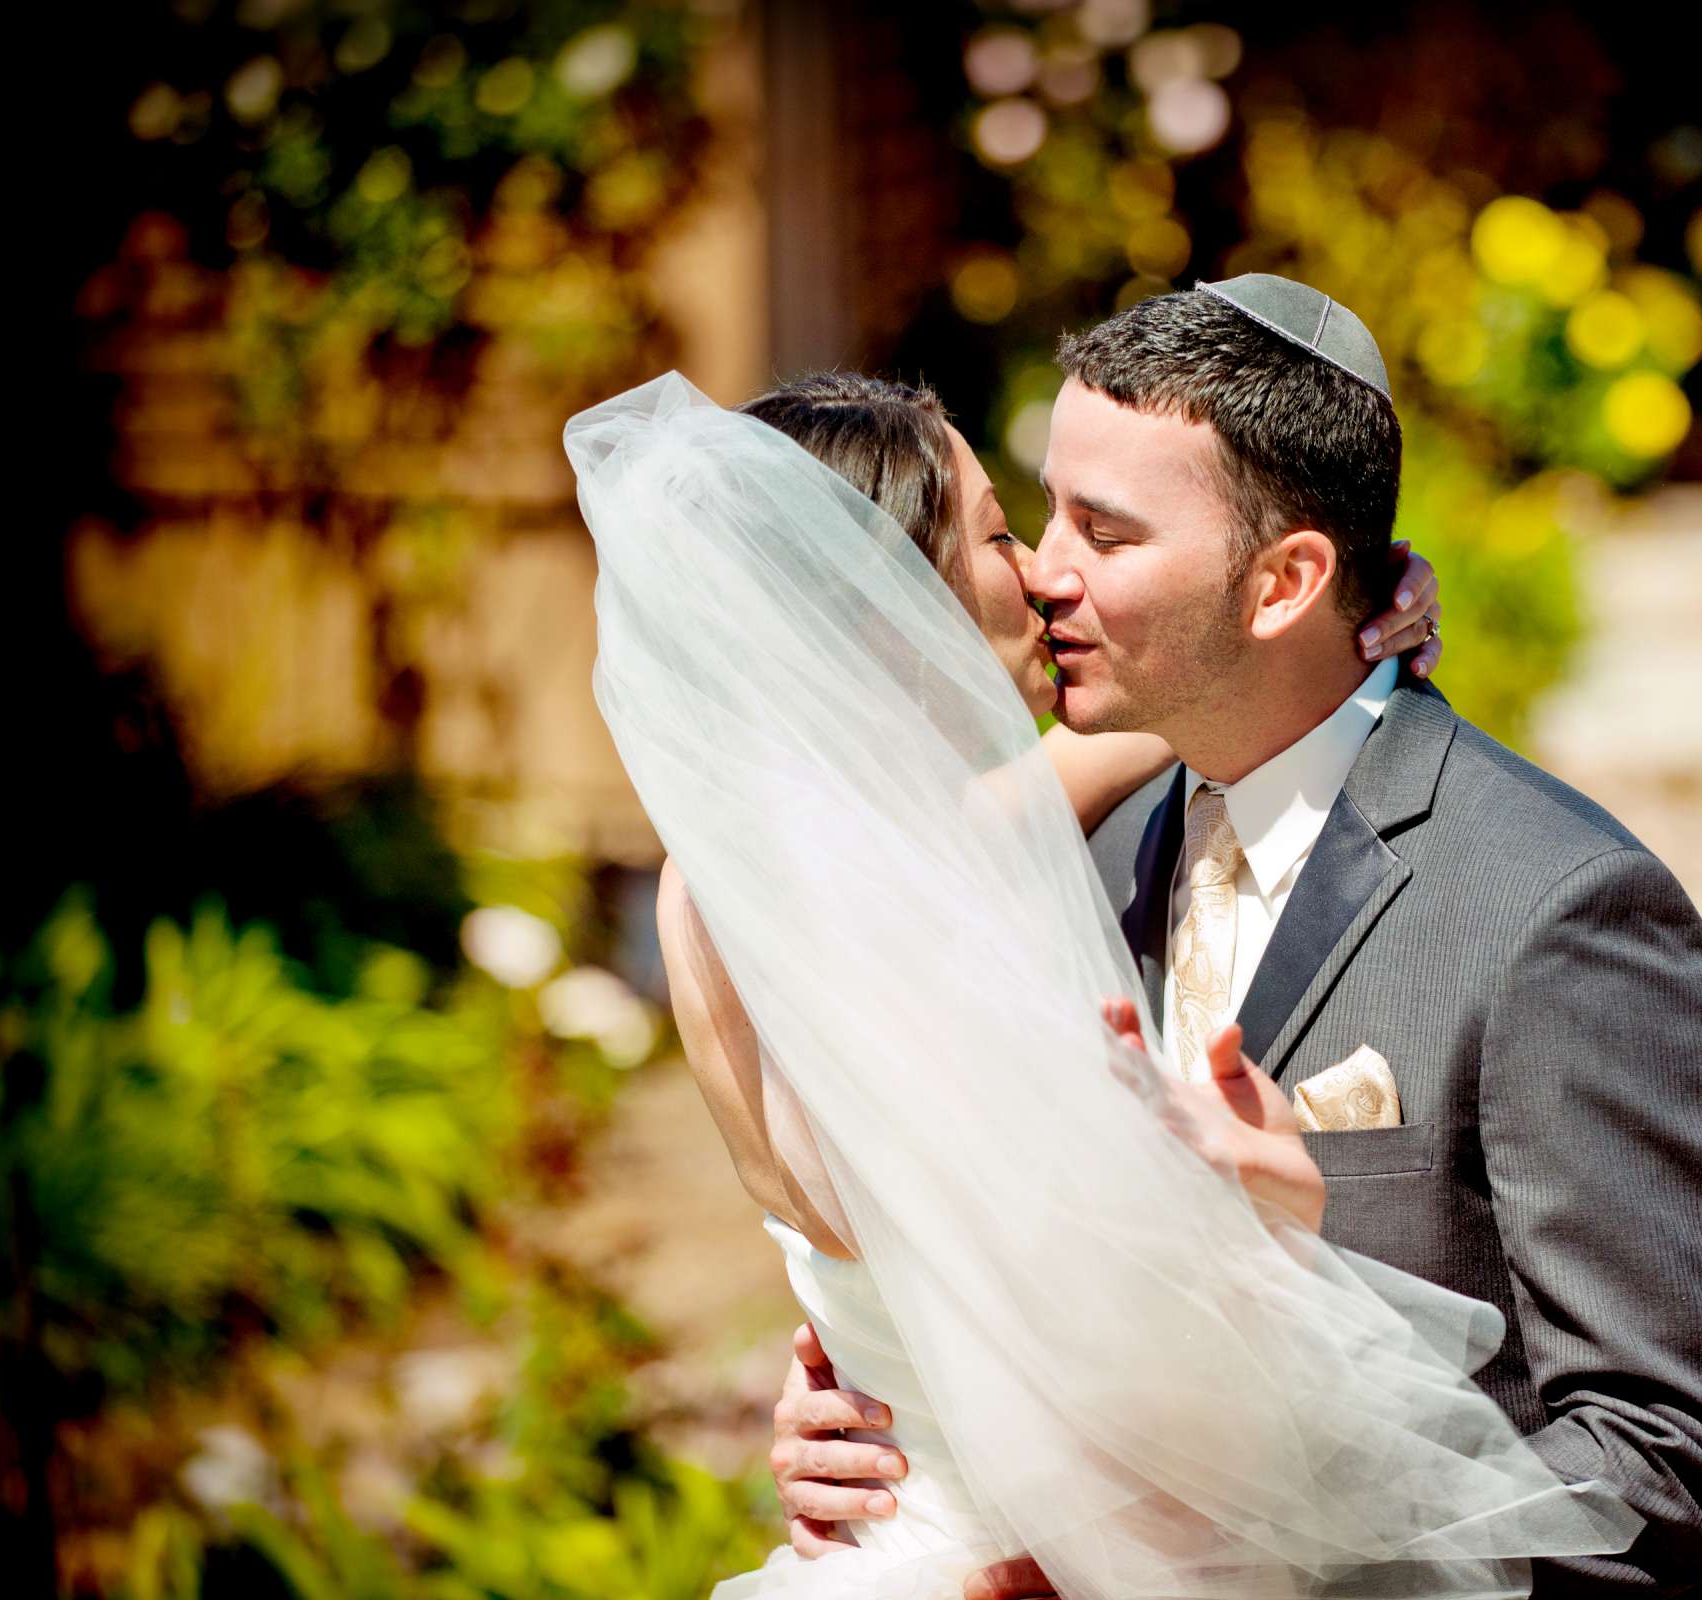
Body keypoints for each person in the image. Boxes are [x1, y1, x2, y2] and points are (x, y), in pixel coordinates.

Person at [570, 340, 1645, 1600]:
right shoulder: (920, 924)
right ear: (890, 607)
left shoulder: (727, 880)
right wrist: (1286, 1226)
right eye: (991, 538)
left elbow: (1083, 772)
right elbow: (1166, 1417)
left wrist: (1332, 645)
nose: (1036, 572)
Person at [765, 279, 1702, 1598]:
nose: (1040, 572)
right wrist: (886, 1446)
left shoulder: (1556, 910)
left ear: (1283, 581)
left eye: (1104, 531)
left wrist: (1234, 1527)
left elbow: (1685, 1459)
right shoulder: (1076, 868)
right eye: (1043, 510)